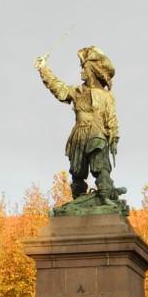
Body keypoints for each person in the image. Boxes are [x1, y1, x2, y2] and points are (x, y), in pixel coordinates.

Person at [35, 46, 119, 200]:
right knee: (77, 172)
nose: (81, 71)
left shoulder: (106, 96)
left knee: (101, 168)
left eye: (84, 68)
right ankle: (78, 201)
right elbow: (59, 89)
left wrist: (114, 137)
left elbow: (111, 119)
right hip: (79, 135)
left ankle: (106, 196)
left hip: (97, 132)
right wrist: (43, 69)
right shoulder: (76, 92)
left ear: (93, 71)